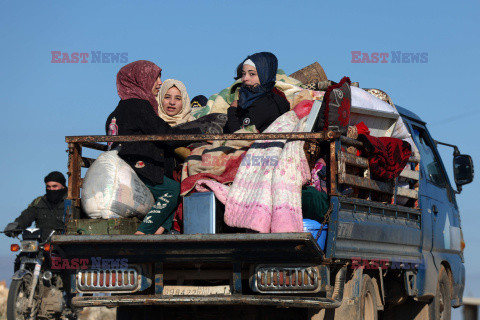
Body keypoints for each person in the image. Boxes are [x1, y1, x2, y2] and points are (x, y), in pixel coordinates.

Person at [106, 60, 201, 235]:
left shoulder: (117, 111)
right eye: (155, 78)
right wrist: (199, 131)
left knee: (171, 186)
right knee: (172, 190)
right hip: (136, 166)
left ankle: (159, 231)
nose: (159, 83)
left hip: (124, 165)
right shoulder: (138, 105)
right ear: (140, 80)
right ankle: (142, 233)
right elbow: (165, 136)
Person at [224, 52, 290, 133]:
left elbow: (239, 137)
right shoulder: (249, 101)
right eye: (243, 74)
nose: (245, 78)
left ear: (265, 75)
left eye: (252, 74)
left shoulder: (268, 103)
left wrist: (232, 110)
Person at [3, 171, 68, 240]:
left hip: (65, 244)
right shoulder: (39, 202)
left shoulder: (72, 202)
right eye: (48, 187)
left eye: (55, 186)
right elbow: (26, 217)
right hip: (42, 244)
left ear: (63, 186)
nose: (51, 189)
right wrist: (16, 226)